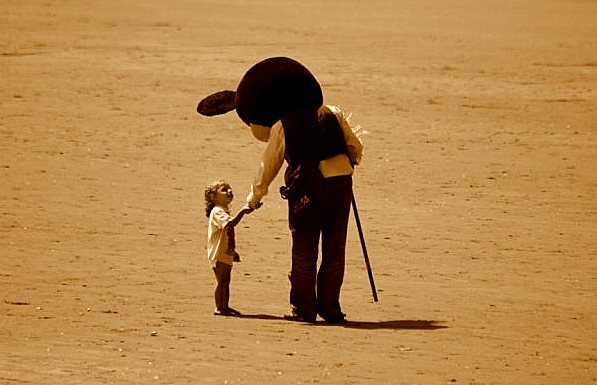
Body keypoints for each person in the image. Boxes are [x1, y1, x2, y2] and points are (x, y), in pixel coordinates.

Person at [246, 105, 364, 323]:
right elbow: (355, 148)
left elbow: (270, 162)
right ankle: (330, 308)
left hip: (309, 185)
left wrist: (254, 197)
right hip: (341, 182)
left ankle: (304, 307)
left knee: (304, 248)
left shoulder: (284, 122)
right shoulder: (332, 111)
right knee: (335, 247)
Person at [205, 180, 254, 316]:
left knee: (226, 281)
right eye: (224, 189)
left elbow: (228, 234)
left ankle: (224, 306)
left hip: (225, 252)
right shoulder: (217, 212)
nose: (229, 191)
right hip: (218, 253)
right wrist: (243, 212)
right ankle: (219, 307)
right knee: (222, 281)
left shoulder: (223, 211)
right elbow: (230, 224)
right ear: (213, 197)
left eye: (229, 189)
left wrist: (233, 251)